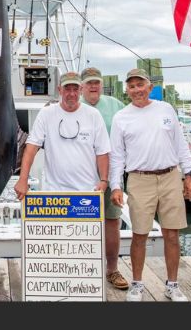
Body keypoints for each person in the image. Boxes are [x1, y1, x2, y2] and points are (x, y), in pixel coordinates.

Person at [109, 68, 191, 302]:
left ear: (150, 86)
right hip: (139, 179)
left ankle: (173, 284)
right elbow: (117, 156)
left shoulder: (166, 109)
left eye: (141, 85)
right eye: (132, 86)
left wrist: (189, 174)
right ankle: (137, 283)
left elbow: (181, 144)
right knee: (139, 234)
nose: (137, 90)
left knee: (172, 233)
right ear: (127, 90)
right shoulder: (121, 117)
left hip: (170, 176)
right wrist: (116, 185)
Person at [14, 71, 111, 209]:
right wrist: (23, 179)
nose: (71, 93)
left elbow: (102, 151)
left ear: (81, 90)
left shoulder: (93, 115)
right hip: (54, 193)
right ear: (60, 90)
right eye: (67, 88)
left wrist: (103, 180)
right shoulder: (46, 114)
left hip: (88, 192)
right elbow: (31, 148)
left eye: (75, 89)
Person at [79, 66, 128, 290]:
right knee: (79, 223)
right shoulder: (71, 106)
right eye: (89, 83)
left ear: (101, 84)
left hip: (111, 175)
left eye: (96, 82)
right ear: (81, 87)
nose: (93, 86)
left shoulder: (115, 105)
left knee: (112, 221)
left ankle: (112, 270)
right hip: (80, 176)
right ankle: (80, 269)